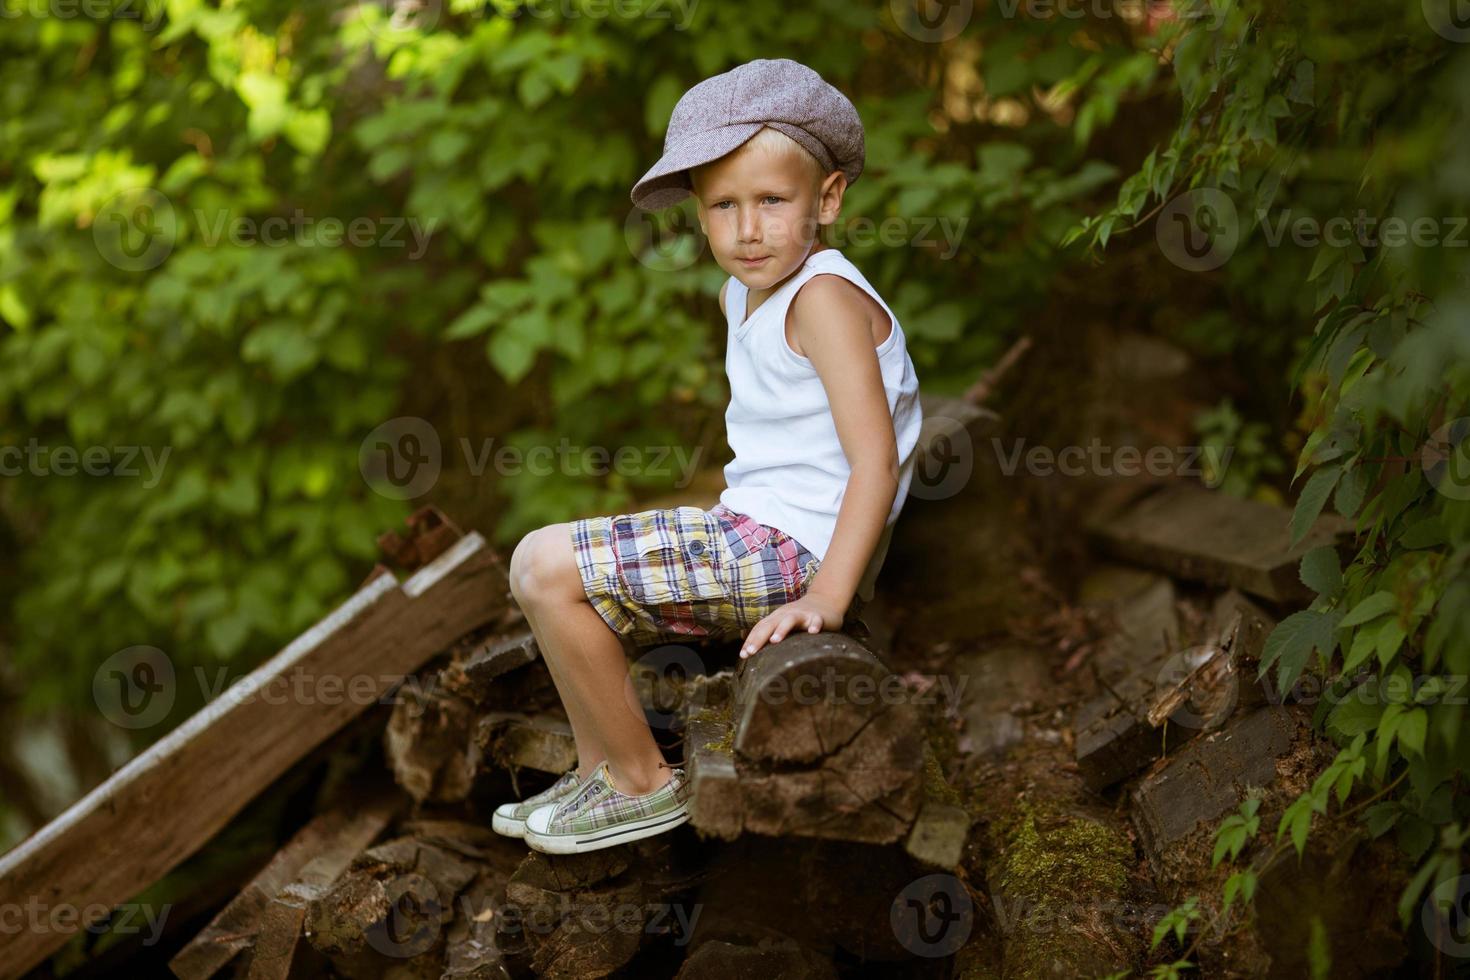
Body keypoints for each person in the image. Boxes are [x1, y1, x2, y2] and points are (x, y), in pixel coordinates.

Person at [493, 57, 924, 855]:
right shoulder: (747, 292)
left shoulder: (823, 297)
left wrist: (828, 597)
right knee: (542, 569)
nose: (748, 229)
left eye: (771, 201)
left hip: (797, 552)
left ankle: (641, 782)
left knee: (543, 565)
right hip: (758, 530)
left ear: (827, 198)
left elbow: (876, 461)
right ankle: (603, 770)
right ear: (697, 213)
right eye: (724, 206)